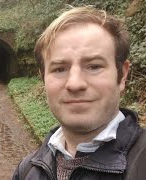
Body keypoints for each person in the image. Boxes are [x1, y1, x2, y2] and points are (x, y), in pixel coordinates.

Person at [12, 6, 146, 180]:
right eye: (59, 69)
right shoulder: (26, 170)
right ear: (43, 79)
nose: (74, 84)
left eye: (94, 66)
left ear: (122, 75)